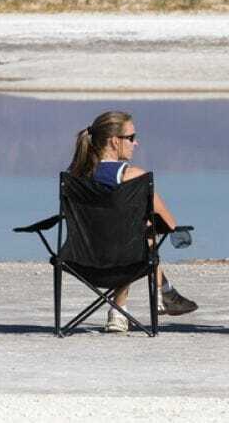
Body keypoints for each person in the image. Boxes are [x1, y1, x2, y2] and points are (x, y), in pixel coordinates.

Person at [67, 110, 198, 333]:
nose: (136, 143)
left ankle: (129, 309)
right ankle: (162, 292)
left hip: (81, 261)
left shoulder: (75, 177)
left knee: (125, 230)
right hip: (125, 263)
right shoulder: (135, 177)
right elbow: (170, 223)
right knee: (138, 232)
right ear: (113, 141)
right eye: (131, 137)